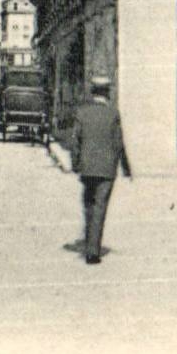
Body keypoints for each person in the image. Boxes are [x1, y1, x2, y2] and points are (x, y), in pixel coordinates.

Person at [69, 74, 132, 265]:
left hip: (87, 168)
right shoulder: (113, 114)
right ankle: (93, 252)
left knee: (88, 205)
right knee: (100, 207)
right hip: (106, 169)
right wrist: (126, 168)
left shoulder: (82, 113)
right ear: (107, 93)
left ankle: (90, 243)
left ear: (92, 92)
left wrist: (76, 163)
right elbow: (118, 143)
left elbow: (75, 142)